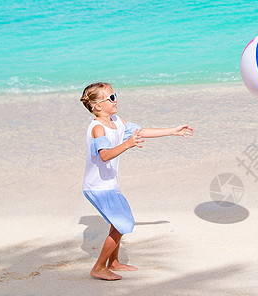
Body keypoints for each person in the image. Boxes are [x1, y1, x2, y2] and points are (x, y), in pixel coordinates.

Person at [79, 82, 193, 280]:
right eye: (111, 98)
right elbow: (104, 155)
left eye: (116, 95)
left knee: (118, 224)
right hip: (97, 187)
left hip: (109, 184)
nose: (116, 100)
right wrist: (127, 145)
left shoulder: (116, 121)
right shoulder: (98, 128)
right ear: (97, 106)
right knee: (123, 224)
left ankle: (113, 263)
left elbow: (139, 132)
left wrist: (172, 131)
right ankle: (98, 268)